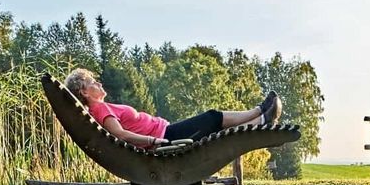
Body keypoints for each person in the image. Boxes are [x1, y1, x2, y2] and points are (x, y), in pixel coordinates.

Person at [62, 67, 280, 150]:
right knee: (213, 118)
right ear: (83, 92)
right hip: (166, 136)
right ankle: (260, 112)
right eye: (92, 82)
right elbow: (120, 135)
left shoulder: (103, 107)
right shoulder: (100, 110)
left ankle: (261, 120)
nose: (99, 84)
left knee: (216, 130)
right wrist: (153, 141)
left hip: (166, 132)